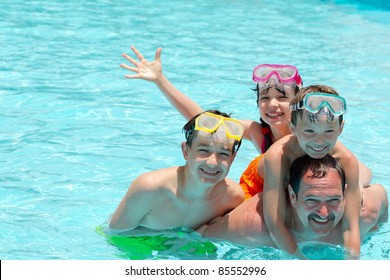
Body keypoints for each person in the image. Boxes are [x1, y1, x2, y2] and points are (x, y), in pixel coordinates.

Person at [120, 46, 372, 199]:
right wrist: (160, 81)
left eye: (282, 97)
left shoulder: (312, 134)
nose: (272, 104)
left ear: (298, 102)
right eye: (265, 98)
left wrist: (355, 187)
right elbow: (203, 121)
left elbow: (363, 169)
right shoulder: (257, 131)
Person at [261, 85, 372, 258]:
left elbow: (351, 227)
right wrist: (301, 261)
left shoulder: (347, 160)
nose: (319, 141)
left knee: (362, 180)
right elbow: (275, 224)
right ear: (292, 127)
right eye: (309, 131)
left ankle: (357, 182)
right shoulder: (277, 157)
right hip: (262, 178)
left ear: (340, 129)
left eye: (328, 131)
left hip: (316, 177)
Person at [200, 155, 388, 256]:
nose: (324, 213)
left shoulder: (364, 214)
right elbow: (201, 235)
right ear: (292, 196)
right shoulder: (254, 226)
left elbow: (381, 194)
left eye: (333, 200)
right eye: (312, 200)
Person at [109, 110, 245, 233]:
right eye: (203, 151)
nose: (212, 162)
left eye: (223, 154)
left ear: (233, 158)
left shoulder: (232, 197)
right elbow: (115, 235)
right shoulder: (149, 188)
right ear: (186, 151)